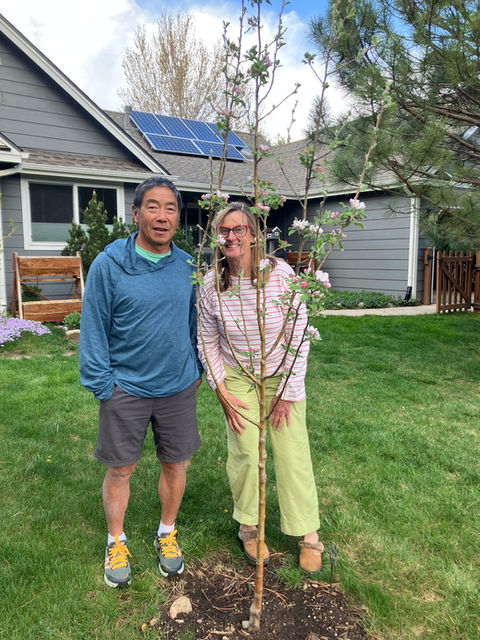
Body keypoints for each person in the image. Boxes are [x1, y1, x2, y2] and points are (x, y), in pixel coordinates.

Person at [80, 176, 202, 588]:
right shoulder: (109, 264)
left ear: (178, 217)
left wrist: (196, 370)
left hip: (177, 387)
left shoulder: (187, 266)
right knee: (121, 469)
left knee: (175, 463)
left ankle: (167, 532)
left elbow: (193, 323)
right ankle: (116, 541)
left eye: (170, 208)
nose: (162, 216)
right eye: (153, 207)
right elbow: (93, 327)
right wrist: (104, 385)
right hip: (125, 388)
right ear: (136, 214)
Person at [197, 202, 323, 573]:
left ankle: (308, 533)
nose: (231, 237)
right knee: (246, 451)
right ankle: (249, 527)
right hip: (238, 376)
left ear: (253, 235)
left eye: (239, 229)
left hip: (280, 373)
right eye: (224, 231)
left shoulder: (280, 274)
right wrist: (222, 391)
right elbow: (207, 340)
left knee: (292, 451)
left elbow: (299, 333)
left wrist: (287, 391)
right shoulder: (211, 284)